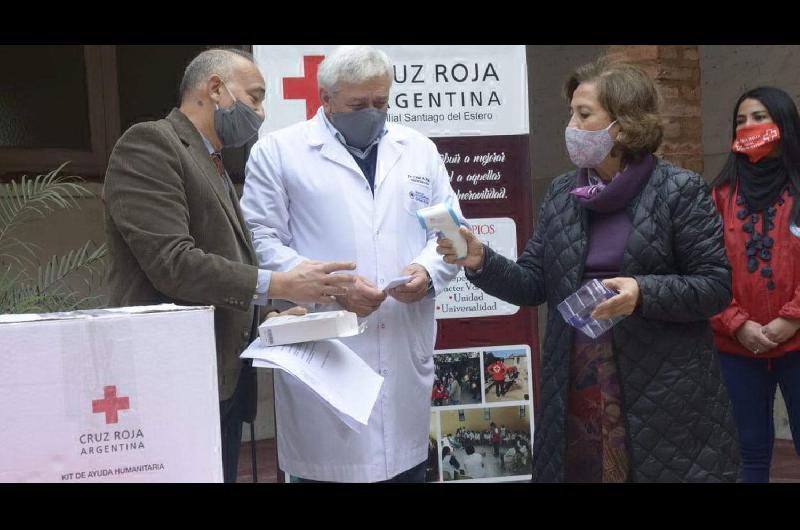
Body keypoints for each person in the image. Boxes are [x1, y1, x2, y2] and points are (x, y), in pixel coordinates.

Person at [437, 56, 740, 483]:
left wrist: (642, 292)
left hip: (660, 383)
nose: (571, 127)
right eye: (570, 114)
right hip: (577, 378)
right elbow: (533, 284)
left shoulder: (679, 190)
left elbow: (714, 286)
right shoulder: (563, 192)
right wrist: (481, 261)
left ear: (624, 124)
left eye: (584, 114)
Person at [103, 48, 356, 483]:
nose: (260, 112)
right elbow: (173, 263)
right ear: (215, 88)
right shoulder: (150, 144)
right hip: (171, 380)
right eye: (255, 98)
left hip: (219, 379)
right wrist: (280, 282)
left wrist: (269, 319)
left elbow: (224, 264)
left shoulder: (214, 161)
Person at [241, 45, 462, 482]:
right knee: (329, 468)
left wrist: (427, 273)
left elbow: (450, 233)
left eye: (380, 102)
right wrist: (334, 285)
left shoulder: (418, 150)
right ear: (326, 99)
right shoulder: (279, 152)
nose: (372, 113)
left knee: (405, 468)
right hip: (326, 344)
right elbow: (258, 241)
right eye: (357, 105)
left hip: (401, 341)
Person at [709, 86, 800, 483]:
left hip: (798, 342)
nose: (749, 126)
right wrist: (736, 323)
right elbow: (703, 268)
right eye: (741, 120)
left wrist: (793, 319)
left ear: (784, 123)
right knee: (748, 451)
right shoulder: (720, 195)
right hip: (736, 346)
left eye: (759, 117)